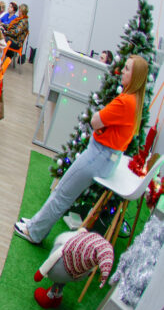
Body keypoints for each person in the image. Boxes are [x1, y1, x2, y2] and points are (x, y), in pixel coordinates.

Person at [16, 56, 149, 244]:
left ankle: (34, 232)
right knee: (63, 192)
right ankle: (35, 225)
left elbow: (95, 121)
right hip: (106, 157)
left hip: (98, 155)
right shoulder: (135, 101)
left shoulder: (126, 101)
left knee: (62, 193)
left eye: (127, 69)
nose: (122, 71)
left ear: (135, 76)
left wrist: (100, 121)